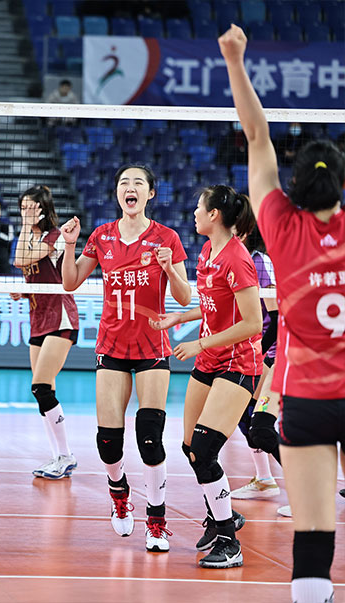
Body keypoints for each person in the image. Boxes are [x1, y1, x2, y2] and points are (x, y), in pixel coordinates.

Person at [220, 24, 345, 602]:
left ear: (293, 188)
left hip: (309, 401)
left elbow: (257, 135)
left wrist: (235, 59)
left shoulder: (280, 227)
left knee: (313, 540)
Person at [60, 163, 191, 553]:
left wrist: (169, 269)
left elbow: (184, 297)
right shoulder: (101, 236)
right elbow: (70, 282)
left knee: (150, 437)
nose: (129, 188)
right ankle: (119, 492)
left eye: (137, 183)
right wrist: (69, 245)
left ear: (150, 193)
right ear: (117, 193)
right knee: (108, 442)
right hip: (112, 347)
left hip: (152, 347)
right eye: (123, 183)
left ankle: (156, 519)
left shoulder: (166, 238)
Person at [150, 184, 262, 569]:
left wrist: (199, 343)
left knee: (204, 448)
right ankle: (220, 515)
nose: (194, 212)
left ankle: (229, 541)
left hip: (237, 363)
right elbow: (214, 303)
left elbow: (253, 322)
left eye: (200, 207)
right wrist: (181, 317)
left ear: (214, 214)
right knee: (189, 446)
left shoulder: (237, 258)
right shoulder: (207, 251)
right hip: (210, 360)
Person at [11, 185, 79, 479]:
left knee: (40, 386)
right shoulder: (29, 237)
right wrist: (24, 291)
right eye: (22, 207)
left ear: (43, 209)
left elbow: (19, 260)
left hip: (61, 318)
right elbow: (29, 266)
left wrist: (26, 226)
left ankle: (65, 455)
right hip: (38, 318)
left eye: (31, 207)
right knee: (43, 391)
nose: (25, 212)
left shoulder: (55, 237)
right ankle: (58, 457)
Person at [230, 225, 282, 501]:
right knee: (245, 415)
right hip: (248, 351)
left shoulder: (259, 262)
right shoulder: (230, 259)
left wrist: (259, 353)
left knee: (261, 424)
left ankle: (304, 487)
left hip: (270, 353)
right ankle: (264, 478)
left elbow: (276, 318)